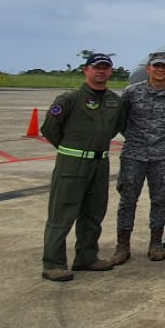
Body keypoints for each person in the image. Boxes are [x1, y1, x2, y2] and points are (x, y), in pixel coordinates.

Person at [39, 52, 124, 282]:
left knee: (94, 212)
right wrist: (72, 149)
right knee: (63, 212)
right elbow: (49, 129)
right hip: (72, 163)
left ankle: (87, 257)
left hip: (100, 162)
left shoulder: (115, 101)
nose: (101, 71)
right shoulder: (69, 99)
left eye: (106, 68)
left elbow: (114, 128)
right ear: (86, 70)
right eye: (97, 67)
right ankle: (54, 263)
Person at [113, 51, 165, 265]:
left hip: (163, 155)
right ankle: (122, 246)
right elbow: (121, 120)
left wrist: (162, 140)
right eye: (156, 66)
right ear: (148, 68)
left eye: (164, 67)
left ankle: (155, 243)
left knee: (160, 200)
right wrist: (136, 139)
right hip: (134, 155)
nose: (160, 70)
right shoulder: (131, 93)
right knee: (127, 200)